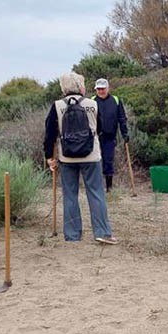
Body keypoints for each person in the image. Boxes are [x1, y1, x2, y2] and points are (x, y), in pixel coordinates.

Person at [43, 71, 118, 244]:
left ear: (64, 88)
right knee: (96, 193)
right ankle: (102, 233)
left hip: (67, 157)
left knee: (70, 195)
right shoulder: (93, 104)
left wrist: (49, 157)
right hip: (91, 156)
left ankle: (72, 235)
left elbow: (49, 135)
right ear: (81, 87)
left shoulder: (56, 106)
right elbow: (100, 128)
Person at [92, 77, 129, 192]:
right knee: (95, 161)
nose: (101, 91)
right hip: (95, 138)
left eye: (103, 89)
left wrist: (125, 133)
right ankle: (96, 186)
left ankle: (109, 188)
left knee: (108, 161)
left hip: (110, 136)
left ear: (107, 88)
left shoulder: (116, 100)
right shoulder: (92, 101)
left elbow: (122, 119)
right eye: (98, 89)